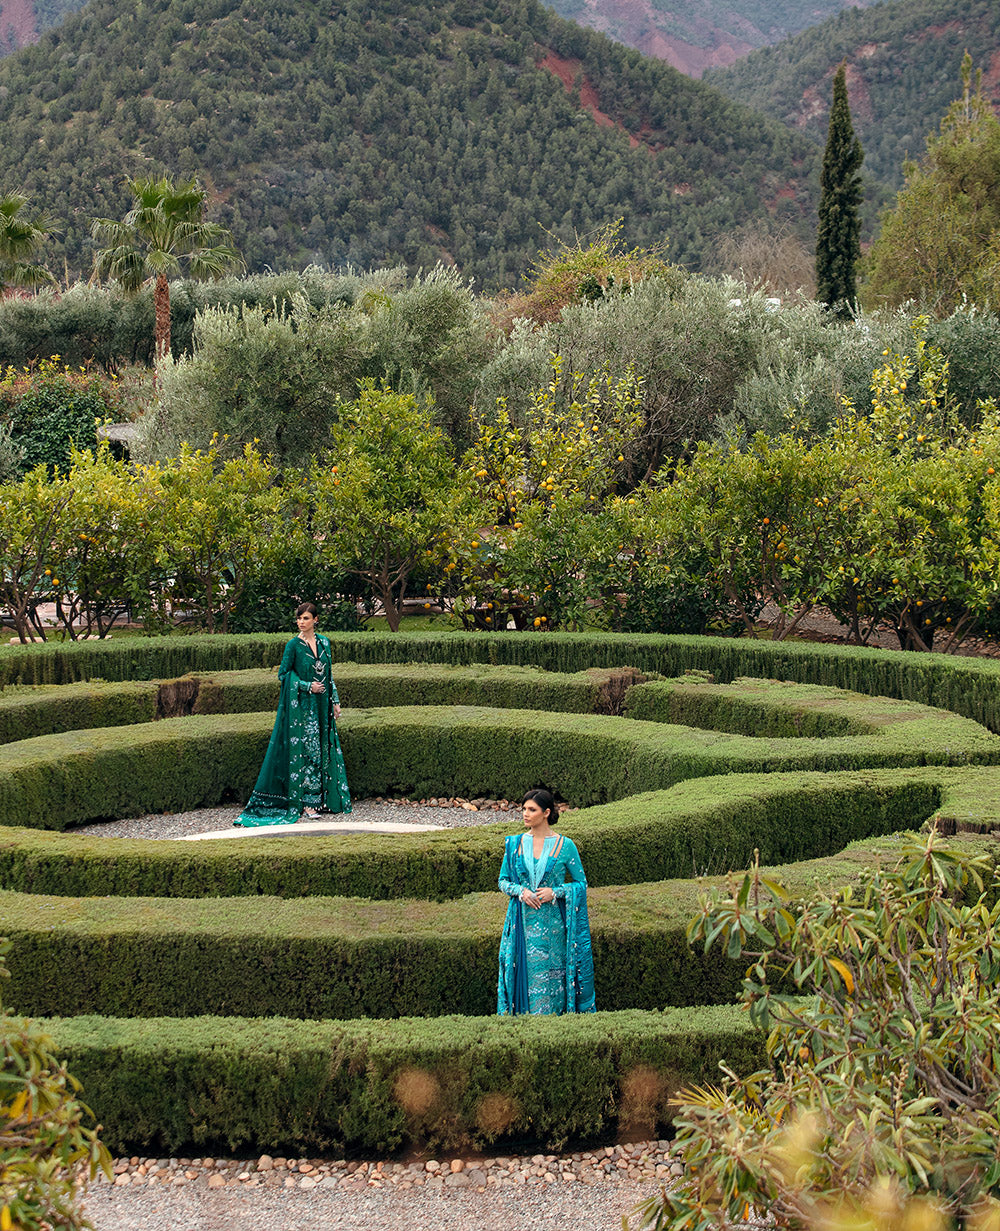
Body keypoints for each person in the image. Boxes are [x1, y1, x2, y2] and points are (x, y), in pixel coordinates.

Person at [234, 602, 351, 827]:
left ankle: (323, 798)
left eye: (306, 618)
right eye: (299, 618)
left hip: (323, 705)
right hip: (303, 707)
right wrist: (307, 686)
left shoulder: (324, 642)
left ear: (315, 620)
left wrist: (335, 701)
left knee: (323, 748)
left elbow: (329, 675)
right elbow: (283, 674)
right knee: (309, 750)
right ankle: (307, 803)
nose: (301, 622)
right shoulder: (293, 646)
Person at [497, 788, 595, 1015]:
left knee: (553, 981)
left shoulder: (565, 845)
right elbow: (502, 881)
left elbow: (581, 884)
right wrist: (520, 891)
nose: (525, 814)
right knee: (521, 978)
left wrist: (556, 892)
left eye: (532, 810)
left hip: (553, 930)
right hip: (521, 926)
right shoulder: (515, 844)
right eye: (524, 809)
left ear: (546, 813)